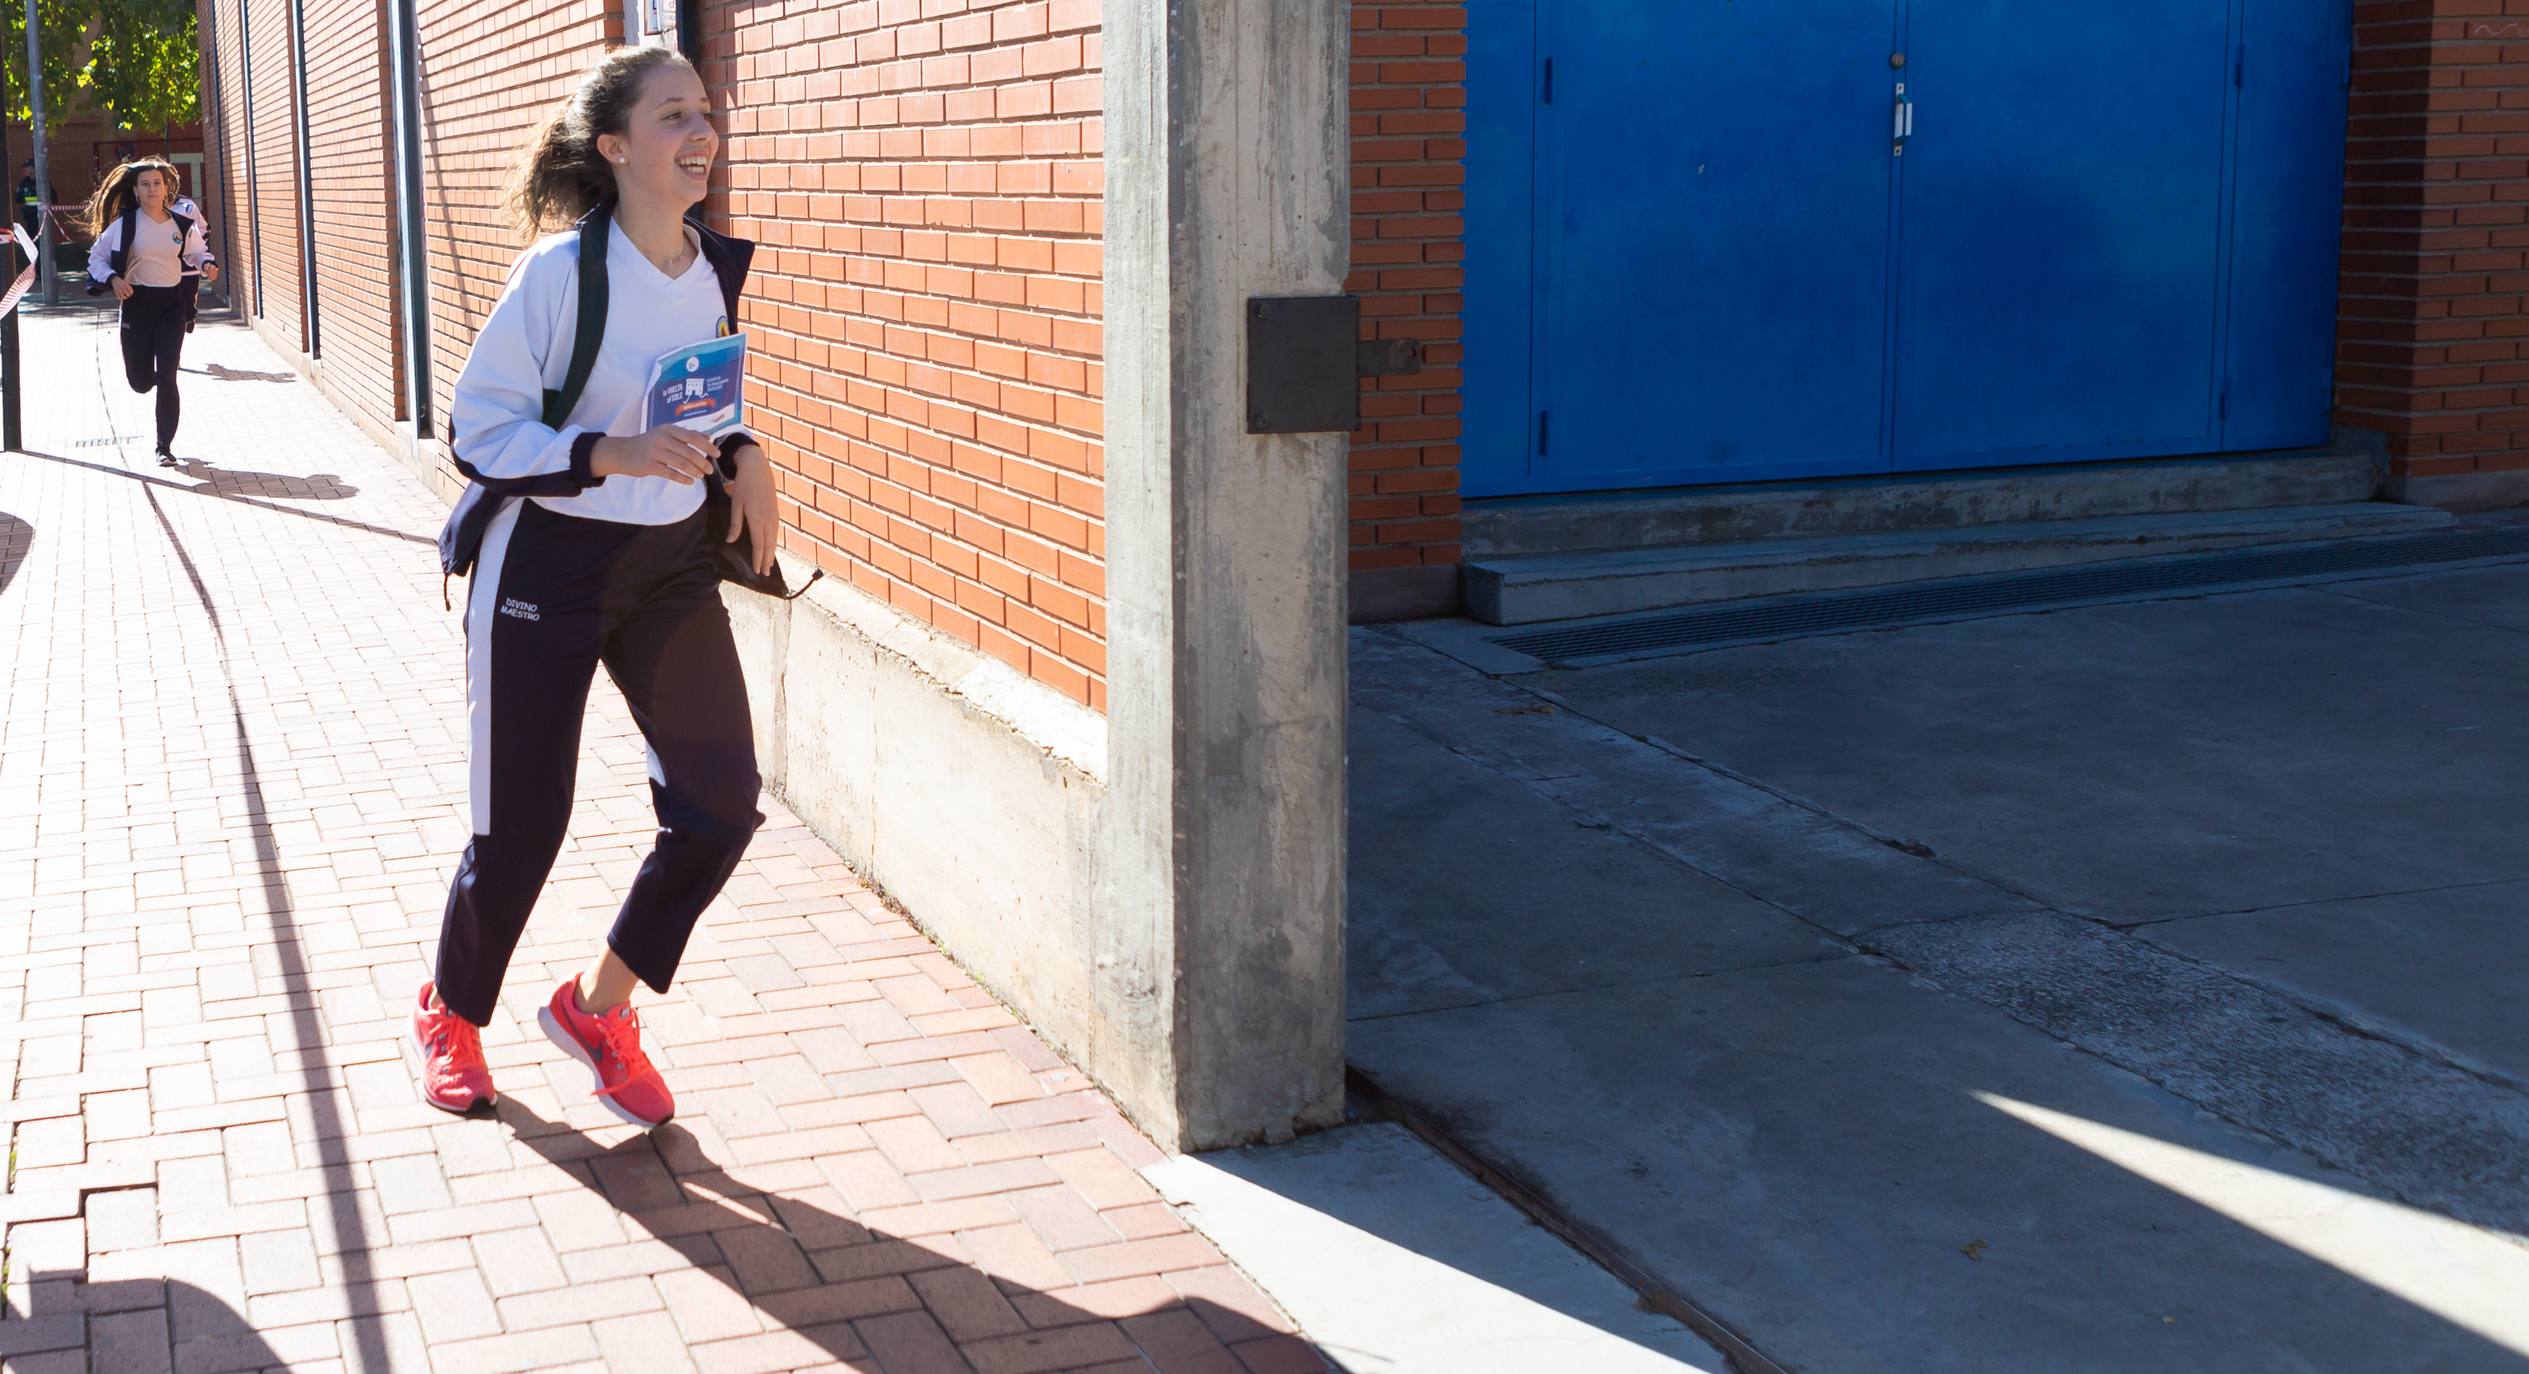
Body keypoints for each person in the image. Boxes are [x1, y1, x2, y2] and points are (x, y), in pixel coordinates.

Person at [409, 44, 777, 1130]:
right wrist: (605, 455)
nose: (700, 133)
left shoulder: (710, 265)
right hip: (547, 565)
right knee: (523, 825)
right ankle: (450, 1011)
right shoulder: (560, 276)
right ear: (614, 147)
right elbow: (477, 426)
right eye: (673, 117)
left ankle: (595, 1007)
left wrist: (742, 448)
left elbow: (695, 400)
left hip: (667, 569)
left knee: (719, 812)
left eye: (705, 112)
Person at [81, 158, 217, 466]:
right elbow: (96, 259)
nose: (152, 189)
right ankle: (154, 382)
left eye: (157, 183)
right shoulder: (124, 226)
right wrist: (113, 279)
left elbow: (197, 251)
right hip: (137, 305)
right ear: (137, 191)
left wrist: (207, 264)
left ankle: (164, 446)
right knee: (140, 382)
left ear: (166, 188)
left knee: (168, 376)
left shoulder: (181, 225)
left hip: (171, 305)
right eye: (145, 184)